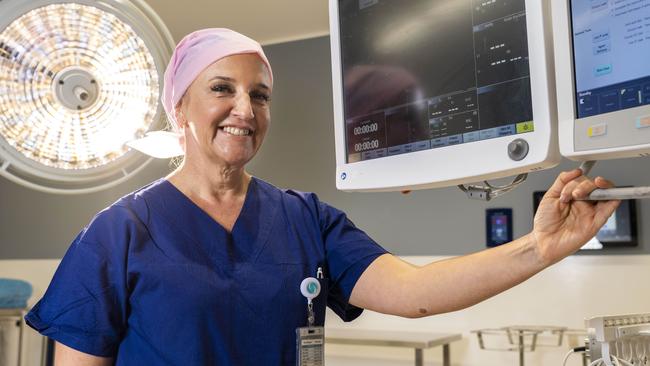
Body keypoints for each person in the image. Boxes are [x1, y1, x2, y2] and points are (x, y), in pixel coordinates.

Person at [25, 28, 619, 365]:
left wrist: (540, 248)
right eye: (221, 89)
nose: (244, 109)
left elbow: (415, 294)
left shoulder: (304, 219)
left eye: (259, 96)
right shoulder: (118, 232)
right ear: (178, 107)